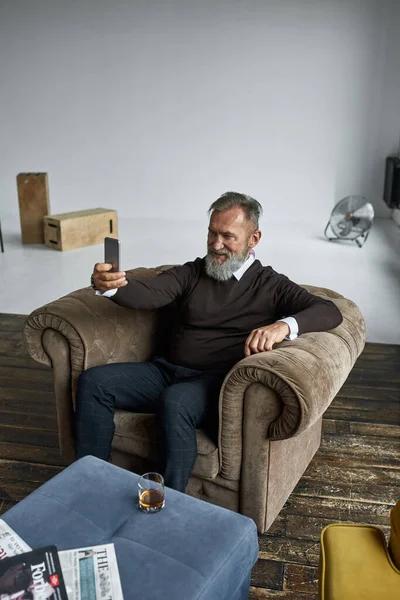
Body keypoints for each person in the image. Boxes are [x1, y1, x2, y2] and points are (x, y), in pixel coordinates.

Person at [75, 191, 343, 492]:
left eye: (228, 236)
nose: (216, 244)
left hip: (211, 383)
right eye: (212, 233)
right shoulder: (193, 272)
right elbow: (148, 293)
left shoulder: (271, 285)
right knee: (95, 382)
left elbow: (329, 311)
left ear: (253, 239)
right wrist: (110, 285)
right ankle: (89, 482)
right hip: (164, 372)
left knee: (174, 402)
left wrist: (283, 326)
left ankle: (169, 499)